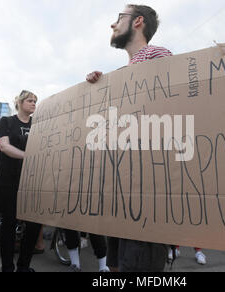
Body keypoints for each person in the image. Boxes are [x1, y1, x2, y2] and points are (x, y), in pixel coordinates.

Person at [86, 4, 171, 272]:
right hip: (121, 190)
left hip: (147, 193)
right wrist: (99, 89)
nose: (113, 24)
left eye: (119, 18)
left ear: (138, 22)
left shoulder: (159, 56)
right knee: (115, 267)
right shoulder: (123, 73)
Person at [0, 90, 41, 272]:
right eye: (30, 100)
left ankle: (23, 266)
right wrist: (28, 157)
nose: (33, 104)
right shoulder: (7, 121)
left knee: (34, 224)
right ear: (20, 102)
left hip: (33, 180)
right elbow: (4, 146)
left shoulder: (38, 125)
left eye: (35, 101)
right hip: (9, 179)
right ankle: (7, 267)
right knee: (9, 223)